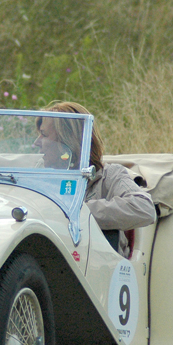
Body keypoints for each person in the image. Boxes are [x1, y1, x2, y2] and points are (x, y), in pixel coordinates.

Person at [39, 101, 157, 255]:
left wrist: (74, 211)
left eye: (44, 135)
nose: (36, 142)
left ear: (67, 141)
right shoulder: (36, 174)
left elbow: (144, 209)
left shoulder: (110, 175)